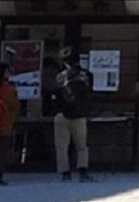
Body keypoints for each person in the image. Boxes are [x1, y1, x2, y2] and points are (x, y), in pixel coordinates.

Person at [51, 54, 95, 182]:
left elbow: (53, 94)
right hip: (79, 116)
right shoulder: (84, 79)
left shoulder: (60, 78)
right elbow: (89, 95)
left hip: (61, 115)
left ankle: (65, 173)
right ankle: (82, 171)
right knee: (81, 146)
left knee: (61, 146)